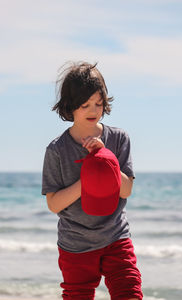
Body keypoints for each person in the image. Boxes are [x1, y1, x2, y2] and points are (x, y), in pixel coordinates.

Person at [42, 61, 143, 300]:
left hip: (116, 237)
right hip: (75, 243)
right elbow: (54, 204)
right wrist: (88, 177)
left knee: (130, 294)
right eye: (85, 104)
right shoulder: (57, 149)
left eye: (98, 103)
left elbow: (126, 189)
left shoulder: (118, 138)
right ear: (70, 107)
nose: (93, 110)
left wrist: (103, 157)